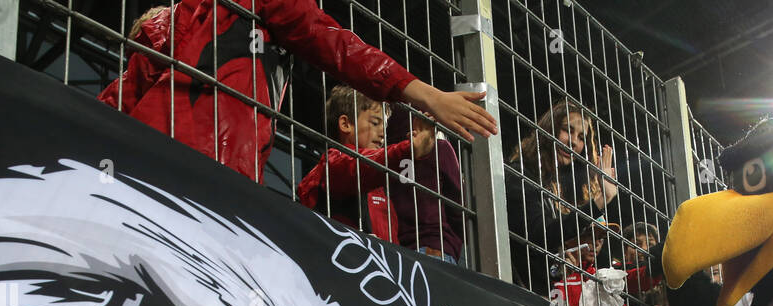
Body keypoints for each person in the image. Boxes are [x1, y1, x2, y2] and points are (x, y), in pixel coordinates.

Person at [97, 1, 496, 184]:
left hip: (144, 164)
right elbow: (333, 44)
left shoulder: (177, 22)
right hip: (206, 173)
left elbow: (118, 100)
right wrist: (424, 94)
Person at [505, 101, 617, 295]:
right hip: (516, 295)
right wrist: (599, 201)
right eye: (567, 130)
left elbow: (543, 248)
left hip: (539, 298)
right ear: (550, 129)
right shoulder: (520, 174)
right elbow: (539, 235)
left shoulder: (550, 188)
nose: (574, 142)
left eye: (582, 137)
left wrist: (561, 260)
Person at [297, 86, 434, 243]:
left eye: (385, 126)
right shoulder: (332, 164)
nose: (383, 133)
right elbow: (360, 166)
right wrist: (408, 150)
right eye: (375, 123)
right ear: (345, 124)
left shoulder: (380, 189)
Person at [385, 107, 464, 264]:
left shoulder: (387, 155)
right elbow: (457, 206)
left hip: (399, 252)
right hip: (436, 245)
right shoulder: (440, 148)